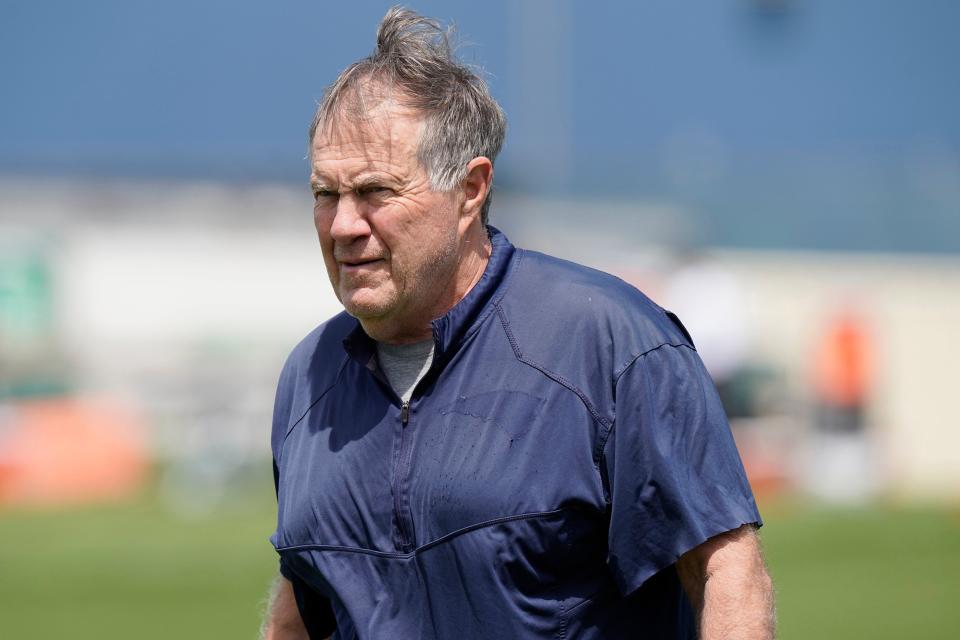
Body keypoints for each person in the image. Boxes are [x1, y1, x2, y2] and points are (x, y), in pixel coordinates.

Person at [262, 7, 774, 639]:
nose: (343, 226)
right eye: (324, 194)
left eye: (375, 193)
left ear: (471, 189)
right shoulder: (309, 379)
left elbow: (726, 571)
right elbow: (302, 603)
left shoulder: (610, 345)